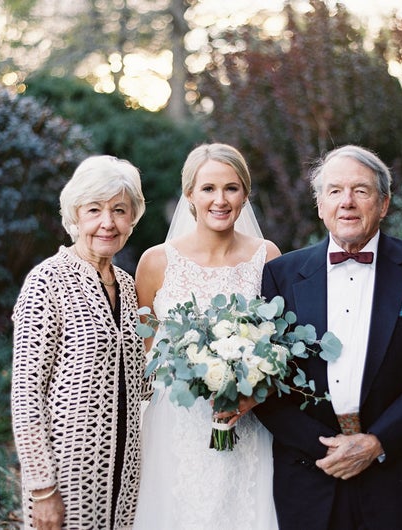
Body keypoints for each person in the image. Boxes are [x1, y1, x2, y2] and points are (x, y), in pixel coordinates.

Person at [255, 145, 402, 530]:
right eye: (334, 191)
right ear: (320, 204)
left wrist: (376, 442)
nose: (347, 202)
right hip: (310, 472)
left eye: (361, 191)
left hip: (396, 472)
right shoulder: (281, 275)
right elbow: (267, 384)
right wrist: (327, 447)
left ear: (383, 204)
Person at [133, 143, 281, 529]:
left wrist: (250, 391)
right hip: (175, 426)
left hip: (245, 423)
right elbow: (146, 355)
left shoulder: (266, 258)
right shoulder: (155, 262)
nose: (220, 199)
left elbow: (278, 346)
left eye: (231, 188)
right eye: (208, 189)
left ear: (245, 194)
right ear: (190, 196)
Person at [11, 155, 148, 530]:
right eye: (94, 210)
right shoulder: (46, 282)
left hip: (127, 475)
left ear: (132, 219)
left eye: (120, 210)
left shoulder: (130, 287)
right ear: (75, 216)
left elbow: (140, 382)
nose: (108, 223)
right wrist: (42, 489)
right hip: (68, 482)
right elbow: (26, 396)